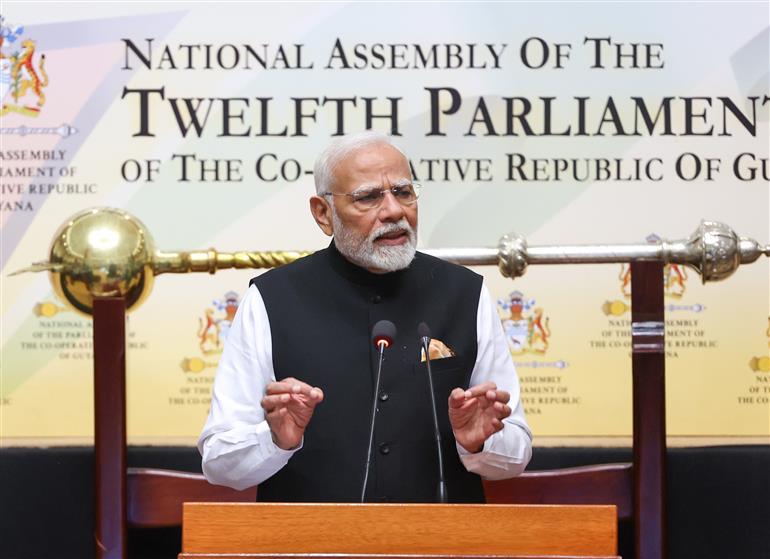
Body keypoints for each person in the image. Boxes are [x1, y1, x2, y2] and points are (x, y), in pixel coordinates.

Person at [198, 131, 532, 503]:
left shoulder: (465, 294)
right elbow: (219, 462)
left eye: (403, 192)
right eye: (369, 197)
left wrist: (482, 441)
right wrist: (275, 440)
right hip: (310, 545)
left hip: (439, 544)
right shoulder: (271, 299)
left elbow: (516, 451)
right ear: (323, 213)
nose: (393, 211)